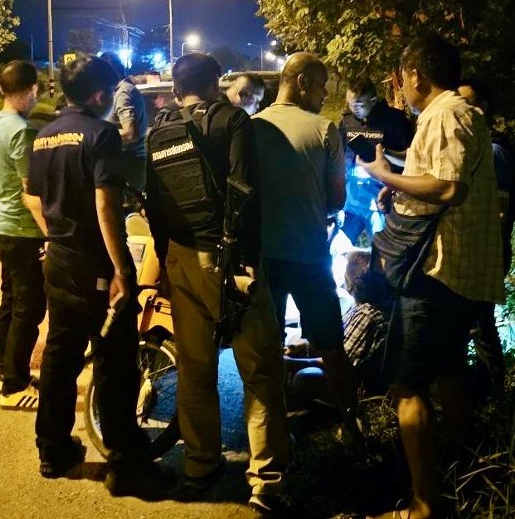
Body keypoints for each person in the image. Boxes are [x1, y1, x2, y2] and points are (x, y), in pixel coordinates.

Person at [358, 35, 504, 519]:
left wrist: (383, 176)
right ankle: (468, 478)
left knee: (407, 386)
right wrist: (400, 183)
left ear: (415, 74)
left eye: (400, 78)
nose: (400, 88)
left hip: (435, 271)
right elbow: (439, 177)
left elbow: (446, 187)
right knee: (449, 372)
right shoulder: (458, 114)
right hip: (456, 270)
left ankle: (425, 504)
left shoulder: (445, 114)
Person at [145, 53, 292, 516]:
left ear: (176, 88)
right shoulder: (233, 121)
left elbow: (155, 205)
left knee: (194, 369)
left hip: (180, 257)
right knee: (260, 370)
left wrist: (164, 264)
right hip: (228, 260)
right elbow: (245, 191)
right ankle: (266, 481)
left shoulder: (160, 129)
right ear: (215, 84)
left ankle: (200, 465)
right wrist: (247, 262)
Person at [26, 55, 154, 493]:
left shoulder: (43, 135)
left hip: (59, 260)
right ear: (100, 95)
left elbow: (32, 197)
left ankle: (52, 450)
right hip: (96, 264)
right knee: (115, 361)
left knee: (61, 356)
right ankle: (124, 463)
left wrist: (55, 236)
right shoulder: (101, 135)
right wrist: (120, 268)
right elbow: (105, 206)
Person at [252, 52, 363, 447]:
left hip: (263, 258)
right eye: (320, 87)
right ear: (301, 83)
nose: (323, 96)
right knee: (331, 346)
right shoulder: (324, 129)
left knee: (266, 349)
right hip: (309, 257)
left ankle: (271, 435)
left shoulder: (251, 127)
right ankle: (352, 428)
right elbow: (337, 199)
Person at [0, 60, 46, 409]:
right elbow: (31, 194)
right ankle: (14, 386)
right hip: (23, 231)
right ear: (31, 89)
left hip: (3, 226)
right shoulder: (22, 131)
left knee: (11, 299)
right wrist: (50, 236)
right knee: (29, 307)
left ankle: (5, 371)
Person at [458, 78, 515, 395]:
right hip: (479, 249)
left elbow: (498, 213)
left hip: (485, 251)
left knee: (480, 326)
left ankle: (493, 393)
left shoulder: (496, 152)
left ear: (482, 109)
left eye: (465, 104)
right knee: (475, 324)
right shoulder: (480, 148)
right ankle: (484, 389)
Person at [285, 250, 393, 402]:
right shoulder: (376, 305)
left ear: (350, 284)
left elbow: (340, 364)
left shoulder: (367, 315)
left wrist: (291, 363)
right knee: (297, 343)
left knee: (304, 377)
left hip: (356, 385)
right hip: (351, 368)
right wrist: (303, 347)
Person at [339, 78, 414, 244]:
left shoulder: (395, 120)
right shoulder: (347, 121)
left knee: (380, 245)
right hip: (353, 196)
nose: (353, 109)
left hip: (381, 194)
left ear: (373, 101)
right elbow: (340, 152)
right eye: (350, 104)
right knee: (340, 242)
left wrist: (384, 153)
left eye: (358, 105)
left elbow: (411, 159)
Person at [102, 54, 149, 193]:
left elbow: (130, 133)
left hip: (128, 165)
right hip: (129, 164)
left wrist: (99, 136)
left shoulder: (123, 93)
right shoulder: (122, 91)